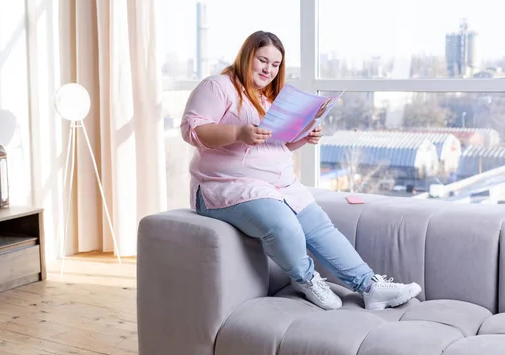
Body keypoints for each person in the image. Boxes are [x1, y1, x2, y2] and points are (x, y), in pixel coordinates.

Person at [180, 30, 421, 311]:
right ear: (247, 56)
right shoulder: (217, 86)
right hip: (223, 185)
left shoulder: (266, 97)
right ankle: (306, 280)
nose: (269, 69)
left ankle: (369, 286)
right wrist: (238, 132)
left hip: (279, 186)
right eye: (263, 60)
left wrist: (301, 138)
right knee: (284, 224)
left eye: (275, 65)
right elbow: (192, 130)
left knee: (321, 228)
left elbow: (267, 148)